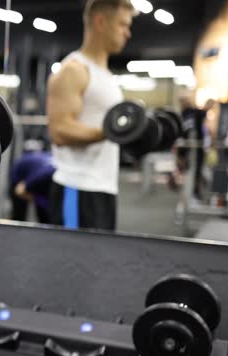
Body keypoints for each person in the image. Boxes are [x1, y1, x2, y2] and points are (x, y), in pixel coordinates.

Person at [46, 0, 135, 230]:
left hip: (104, 188)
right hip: (77, 187)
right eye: (122, 25)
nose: (128, 33)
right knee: (72, 263)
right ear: (100, 22)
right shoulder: (74, 70)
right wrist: (112, 131)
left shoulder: (106, 76)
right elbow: (60, 131)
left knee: (99, 264)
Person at [10, 151, 56, 224]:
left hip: (38, 171)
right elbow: (19, 190)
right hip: (20, 175)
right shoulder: (43, 175)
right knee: (19, 217)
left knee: (45, 216)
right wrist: (39, 199)